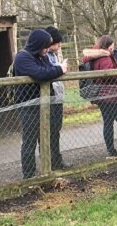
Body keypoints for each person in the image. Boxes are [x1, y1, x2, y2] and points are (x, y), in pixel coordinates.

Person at [14, 29, 68, 179]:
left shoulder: (40, 55)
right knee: (30, 140)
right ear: (38, 45)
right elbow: (40, 73)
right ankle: (29, 174)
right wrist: (60, 69)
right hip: (29, 106)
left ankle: (48, 168)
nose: (47, 50)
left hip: (45, 103)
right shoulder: (22, 57)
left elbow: (48, 70)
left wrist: (55, 70)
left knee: (47, 137)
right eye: (45, 46)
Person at [83, 35, 117, 158]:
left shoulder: (95, 56)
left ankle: (111, 150)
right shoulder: (105, 58)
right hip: (114, 95)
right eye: (112, 45)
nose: (113, 47)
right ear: (108, 45)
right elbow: (111, 75)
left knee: (108, 123)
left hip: (104, 96)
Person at [44, 26, 69, 169]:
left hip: (58, 97)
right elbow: (49, 72)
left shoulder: (53, 55)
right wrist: (59, 68)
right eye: (57, 43)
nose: (59, 46)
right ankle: (50, 161)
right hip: (50, 98)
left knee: (56, 130)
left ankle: (56, 160)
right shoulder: (44, 56)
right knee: (50, 131)